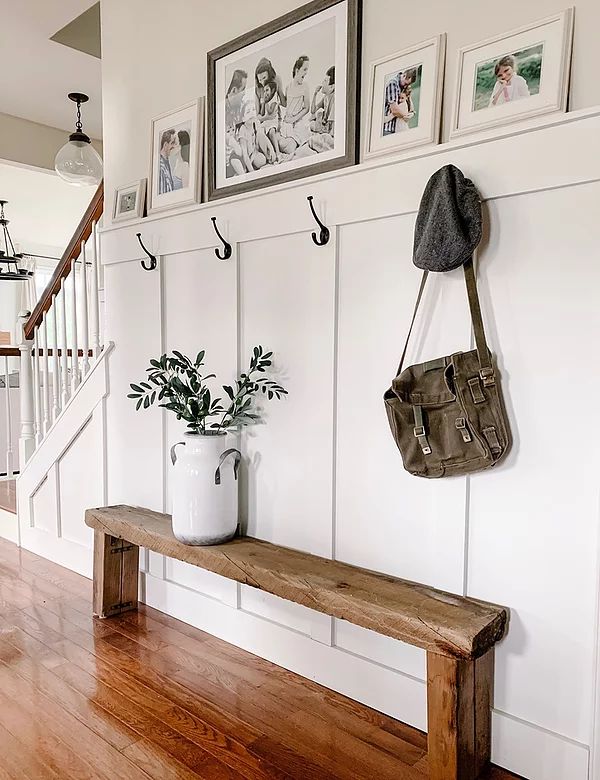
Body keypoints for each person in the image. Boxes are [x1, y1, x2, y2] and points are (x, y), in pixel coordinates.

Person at [279, 55, 311, 157]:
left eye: (307, 70)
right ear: (297, 70)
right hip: (287, 120)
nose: (306, 72)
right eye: (304, 69)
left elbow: (306, 108)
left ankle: (294, 143)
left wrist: (294, 119)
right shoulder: (288, 86)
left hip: (298, 121)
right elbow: (285, 103)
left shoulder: (305, 86)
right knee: (280, 142)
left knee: (291, 146)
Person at [225, 69, 247, 177]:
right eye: (243, 89)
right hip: (228, 162)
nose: (244, 93)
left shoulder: (238, 108)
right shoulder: (221, 111)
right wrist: (233, 143)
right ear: (234, 90)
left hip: (238, 155)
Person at [383, 69, 417, 135]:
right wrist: (405, 116)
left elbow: (410, 105)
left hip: (396, 128)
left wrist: (412, 113)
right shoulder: (393, 84)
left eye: (408, 84)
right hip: (388, 128)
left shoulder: (404, 87)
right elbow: (394, 110)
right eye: (406, 83)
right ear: (404, 76)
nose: (405, 86)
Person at [258, 80, 282, 162]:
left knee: (272, 132)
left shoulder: (274, 100)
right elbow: (262, 113)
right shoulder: (267, 101)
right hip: (267, 122)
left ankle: (278, 153)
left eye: (267, 90)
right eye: (264, 91)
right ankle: (268, 155)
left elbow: (270, 111)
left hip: (272, 122)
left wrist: (266, 102)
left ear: (272, 91)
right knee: (259, 130)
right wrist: (263, 104)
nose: (265, 92)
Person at [158, 129, 176, 193]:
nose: (174, 146)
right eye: (172, 143)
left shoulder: (166, 161)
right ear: (165, 145)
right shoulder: (160, 166)